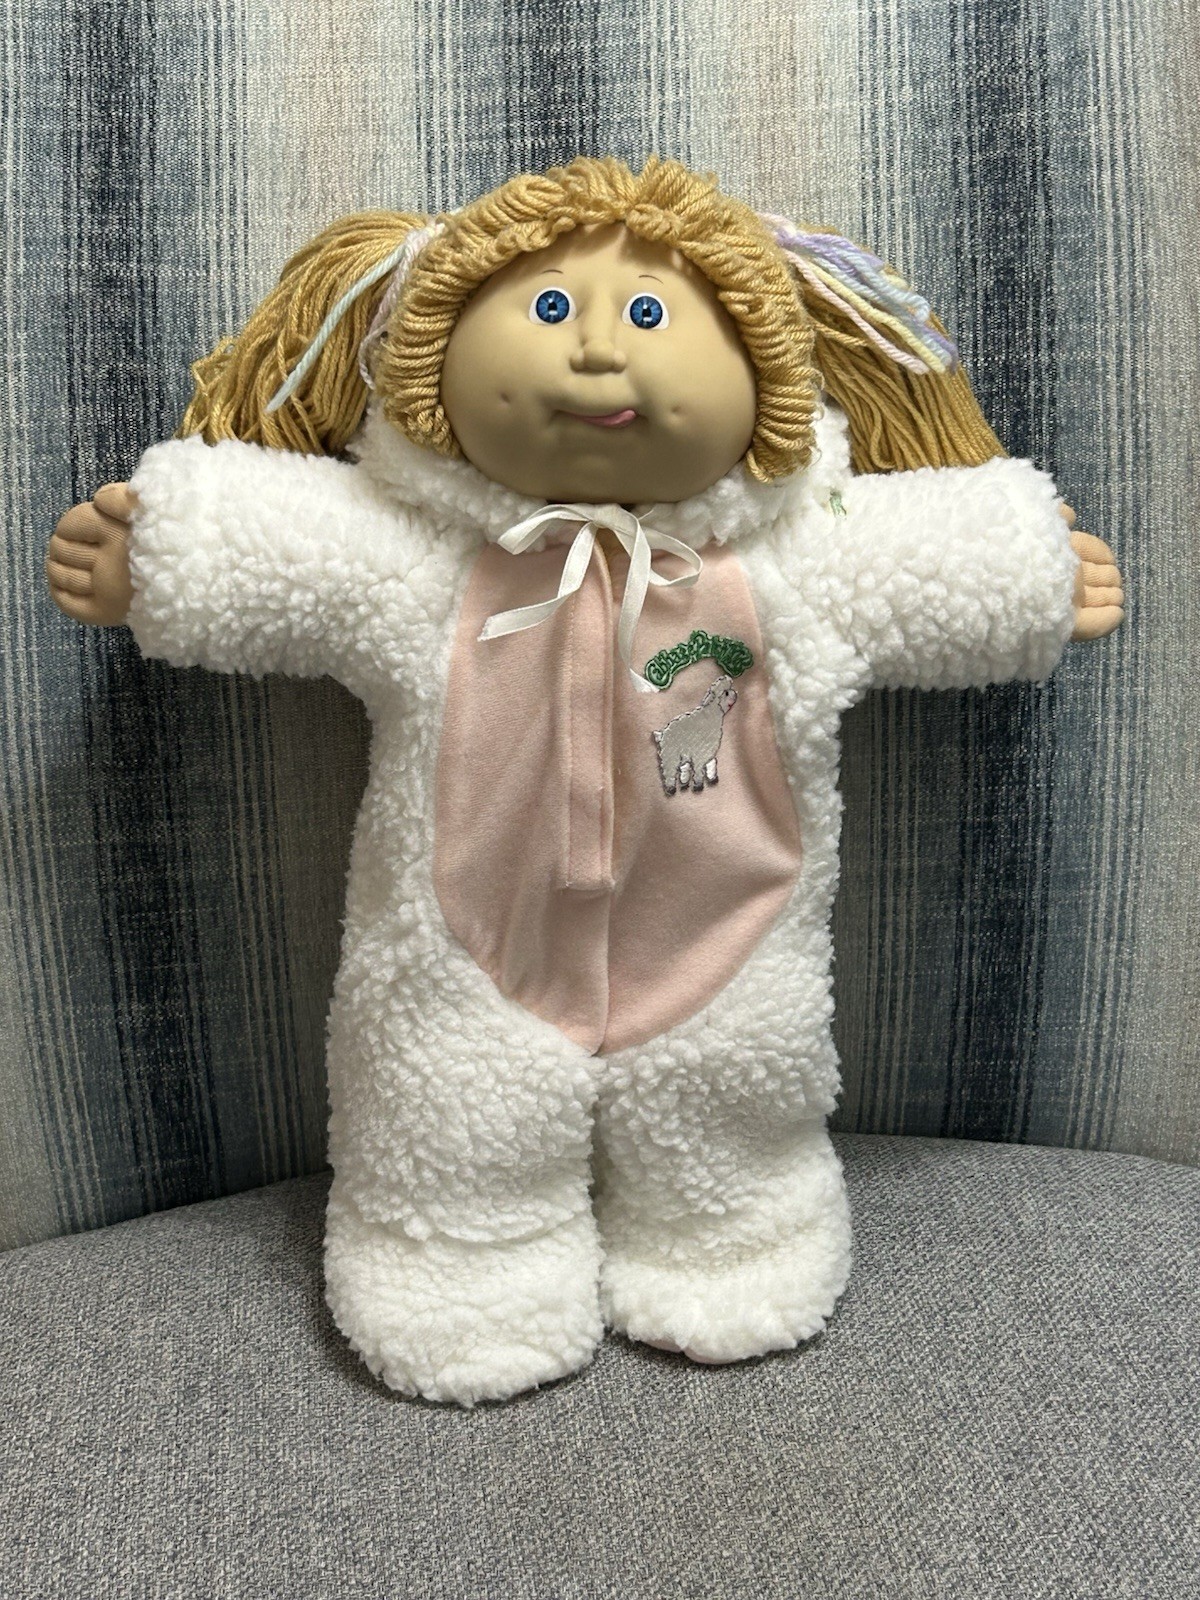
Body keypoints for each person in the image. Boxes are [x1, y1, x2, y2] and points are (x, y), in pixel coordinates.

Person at [44, 155, 1124, 1407]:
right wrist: (162, 555)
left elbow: (932, 560)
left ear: (767, 371)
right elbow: (281, 546)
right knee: (444, 1086)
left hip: (731, 927)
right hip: (461, 936)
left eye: (651, 314)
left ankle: (735, 1228)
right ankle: (453, 1252)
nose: (599, 350)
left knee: (740, 1074)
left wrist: (1033, 570)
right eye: (550, 309)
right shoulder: (416, 550)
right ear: (434, 350)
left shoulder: (804, 551)